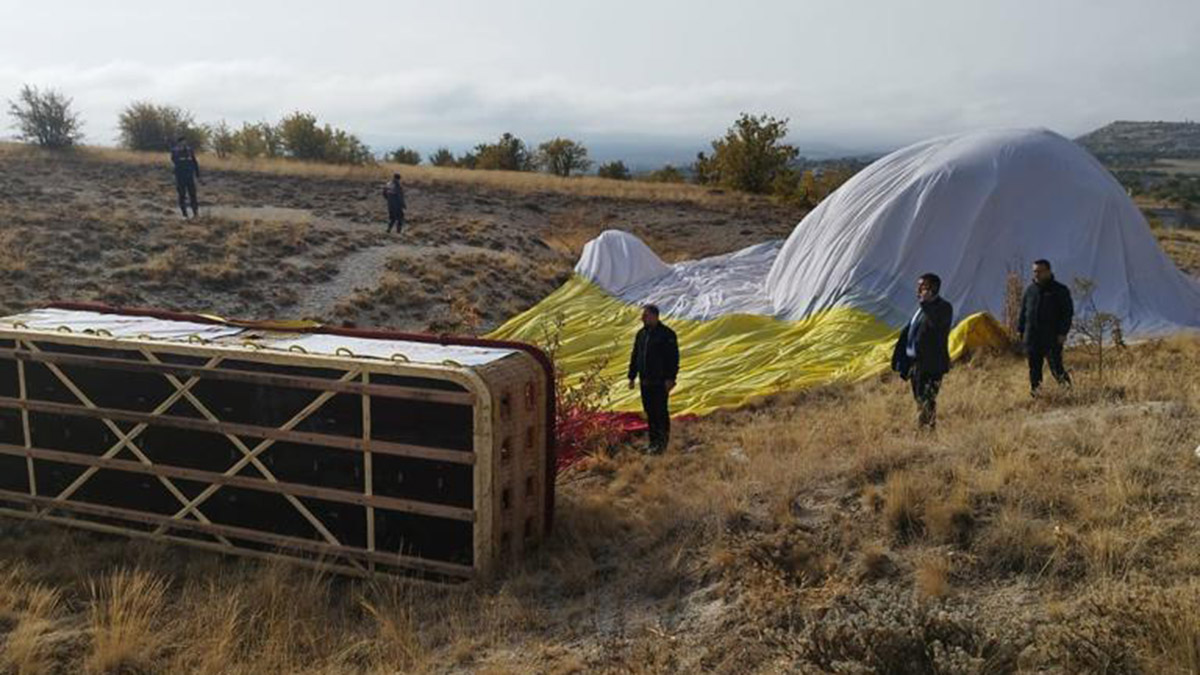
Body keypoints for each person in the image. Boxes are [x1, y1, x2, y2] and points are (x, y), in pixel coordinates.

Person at [891, 273, 954, 429]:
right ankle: (923, 428)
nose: (918, 291)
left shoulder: (943, 308)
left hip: (932, 364)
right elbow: (910, 332)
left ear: (933, 289)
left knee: (927, 399)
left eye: (923, 287)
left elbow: (937, 327)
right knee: (919, 399)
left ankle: (926, 431)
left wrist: (925, 304)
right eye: (918, 287)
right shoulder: (921, 310)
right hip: (916, 364)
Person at [627, 304, 679, 454]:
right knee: (649, 412)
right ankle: (653, 443)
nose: (643, 318)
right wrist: (631, 376)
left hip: (660, 382)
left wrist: (671, 379)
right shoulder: (641, 334)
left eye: (646, 315)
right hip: (645, 381)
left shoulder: (667, 334)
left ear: (655, 316)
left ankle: (662, 445)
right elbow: (635, 355)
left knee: (660, 412)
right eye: (643, 315)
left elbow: (673, 359)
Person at [1018, 259, 1073, 396]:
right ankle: (1037, 395)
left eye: (1040, 271)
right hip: (1032, 337)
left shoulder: (1060, 290)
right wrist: (1021, 331)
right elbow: (1023, 312)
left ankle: (1068, 392)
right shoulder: (1030, 291)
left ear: (1048, 271)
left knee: (1056, 367)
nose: (1036, 274)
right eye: (1035, 271)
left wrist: (1062, 333)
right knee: (1034, 368)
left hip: (1051, 337)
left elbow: (1067, 313)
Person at [170, 136, 201, 218]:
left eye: (185, 142)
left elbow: (194, 162)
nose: (184, 144)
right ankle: (184, 214)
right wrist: (181, 154)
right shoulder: (175, 151)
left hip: (189, 176)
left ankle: (195, 213)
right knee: (182, 195)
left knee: (193, 195)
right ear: (179, 143)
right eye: (182, 142)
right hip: (180, 176)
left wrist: (197, 173)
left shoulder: (190, 150)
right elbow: (174, 160)